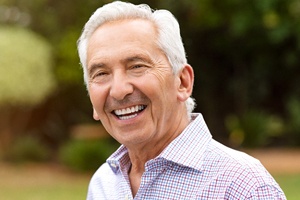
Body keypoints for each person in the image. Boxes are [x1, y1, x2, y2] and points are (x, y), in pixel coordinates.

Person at [77, 1, 286, 199]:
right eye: (101, 73)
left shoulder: (244, 187)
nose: (119, 91)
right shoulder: (103, 183)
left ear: (182, 82)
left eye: (137, 66)